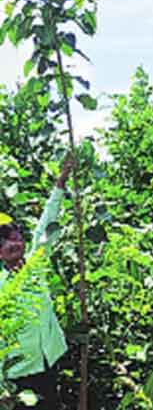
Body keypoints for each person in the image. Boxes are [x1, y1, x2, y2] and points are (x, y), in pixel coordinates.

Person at [0, 156, 74, 409]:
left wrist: (61, 182)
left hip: (49, 360)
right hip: (19, 374)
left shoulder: (35, 264)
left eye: (16, 236)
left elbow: (46, 226)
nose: (14, 243)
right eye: (5, 241)